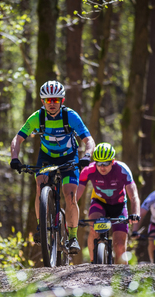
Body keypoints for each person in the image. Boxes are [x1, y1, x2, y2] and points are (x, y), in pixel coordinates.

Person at [10, 80, 95, 254]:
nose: (52, 103)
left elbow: (89, 140)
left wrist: (86, 156)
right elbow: (17, 139)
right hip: (46, 157)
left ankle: (72, 237)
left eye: (56, 100)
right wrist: (14, 158)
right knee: (40, 184)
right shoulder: (37, 117)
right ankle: (42, 227)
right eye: (48, 100)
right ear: (43, 101)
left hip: (68, 157)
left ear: (62, 101)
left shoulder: (70, 116)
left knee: (70, 195)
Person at [77, 143, 141, 264]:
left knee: (120, 245)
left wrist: (135, 214)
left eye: (105, 163)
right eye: (99, 163)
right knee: (94, 229)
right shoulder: (88, 170)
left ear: (112, 161)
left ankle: (120, 276)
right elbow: (76, 196)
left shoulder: (122, 170)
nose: (102, 167)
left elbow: (134, 196)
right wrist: (71, 214)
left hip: (119, 206)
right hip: (99, 203)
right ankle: (93, 263)